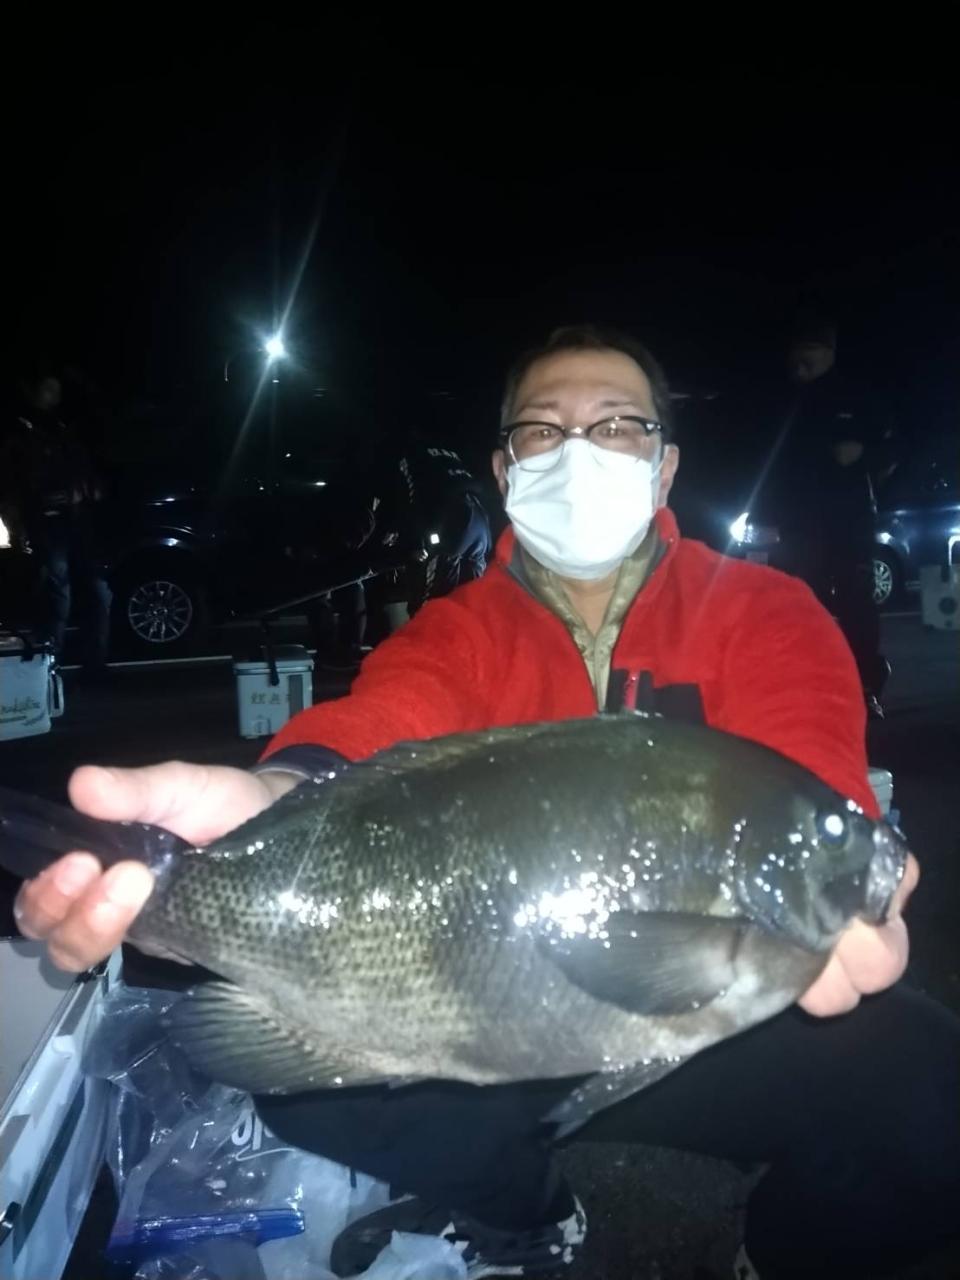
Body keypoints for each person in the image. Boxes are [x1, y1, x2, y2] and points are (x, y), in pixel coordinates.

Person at [13, 327, 956, 1280]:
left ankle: (783, 1254)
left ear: (665, 467)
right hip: (477, 1019)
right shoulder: (455, 632)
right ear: (506, 471)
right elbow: (379, 723)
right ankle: (526, 1212)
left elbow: (807, 764)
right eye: (544, 431)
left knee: (934, 1096)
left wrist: (840, 847)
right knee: (309, 1077)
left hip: (725, 1016)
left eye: (617, 426)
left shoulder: (769, 610)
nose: (580, 452)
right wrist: (274, 796)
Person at [757, 318, 897, 717]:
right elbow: (768, 463)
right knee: (800, 603)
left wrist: (863, 457)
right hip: (797, 524)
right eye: (798, 349)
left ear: (830, 353)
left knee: (855, 602)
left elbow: (893, 451)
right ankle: (808, 680)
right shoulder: (784, 401)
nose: (802, 357)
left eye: (812, 349)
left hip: (847, 523)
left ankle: (866, 685)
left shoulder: (856, 396)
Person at [0, 366, 112, 674]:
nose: (55, 397)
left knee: (98, 591)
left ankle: (95, 663)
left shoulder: (63, 429)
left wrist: (89, 491)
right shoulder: (21, 434)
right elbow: (13, 485)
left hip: (77, 522)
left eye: (57, 390)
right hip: (46, 524)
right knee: (57, 595)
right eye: (48, 390)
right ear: (33, 392)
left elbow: (85, 472)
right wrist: (18, 524)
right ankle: (48, 667)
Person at [377, 427, 492, 616]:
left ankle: (427, 633)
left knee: (430, 605)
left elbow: (409, 500)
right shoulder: (444, 453)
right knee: (472, 599)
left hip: (451, 522)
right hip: (480, 521)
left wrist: (414, 543)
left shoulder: (406, 458)